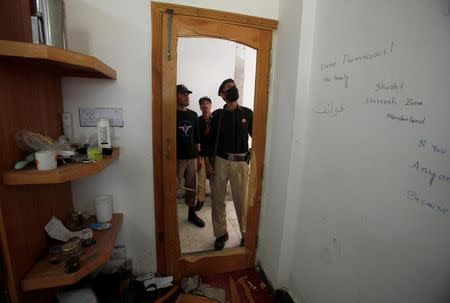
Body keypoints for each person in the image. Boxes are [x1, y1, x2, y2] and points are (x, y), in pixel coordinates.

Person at [206, 79, 252, 250]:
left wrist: (254, 152)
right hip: (220, 161)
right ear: (222, 95)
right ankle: (221, 233)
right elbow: (209, 141)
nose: (232, 89)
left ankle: (246, 233)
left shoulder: (247, 114)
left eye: (233, 86)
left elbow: (258, 136)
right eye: (227, 88)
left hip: (240, 163)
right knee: (218, 200)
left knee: (241, 201)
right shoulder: (217, 115)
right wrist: (207, 162)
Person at [176, 84, 205, 228]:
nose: (187, 97)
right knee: (173, 186)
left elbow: (197, 138)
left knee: (192, 186)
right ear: (176, 95)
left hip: (192, 156)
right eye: (183, 94)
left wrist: (199, 158)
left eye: (188, 94)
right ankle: (169, 214)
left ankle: (191, 213)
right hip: (176, 158)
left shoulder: (193, 115)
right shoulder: (171, 114)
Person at [195, 96, 213, 212]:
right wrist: (196, 156)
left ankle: (216, 201)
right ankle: (200, 200)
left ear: (211, 105)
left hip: (214, 156)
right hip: (201, 155)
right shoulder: (196, 120)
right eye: (202, 104)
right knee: (201, 181)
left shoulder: (217, 119)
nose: (205, 105)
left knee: (215, 181)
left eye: (207, 103)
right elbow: (194, 139)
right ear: (200, 106)